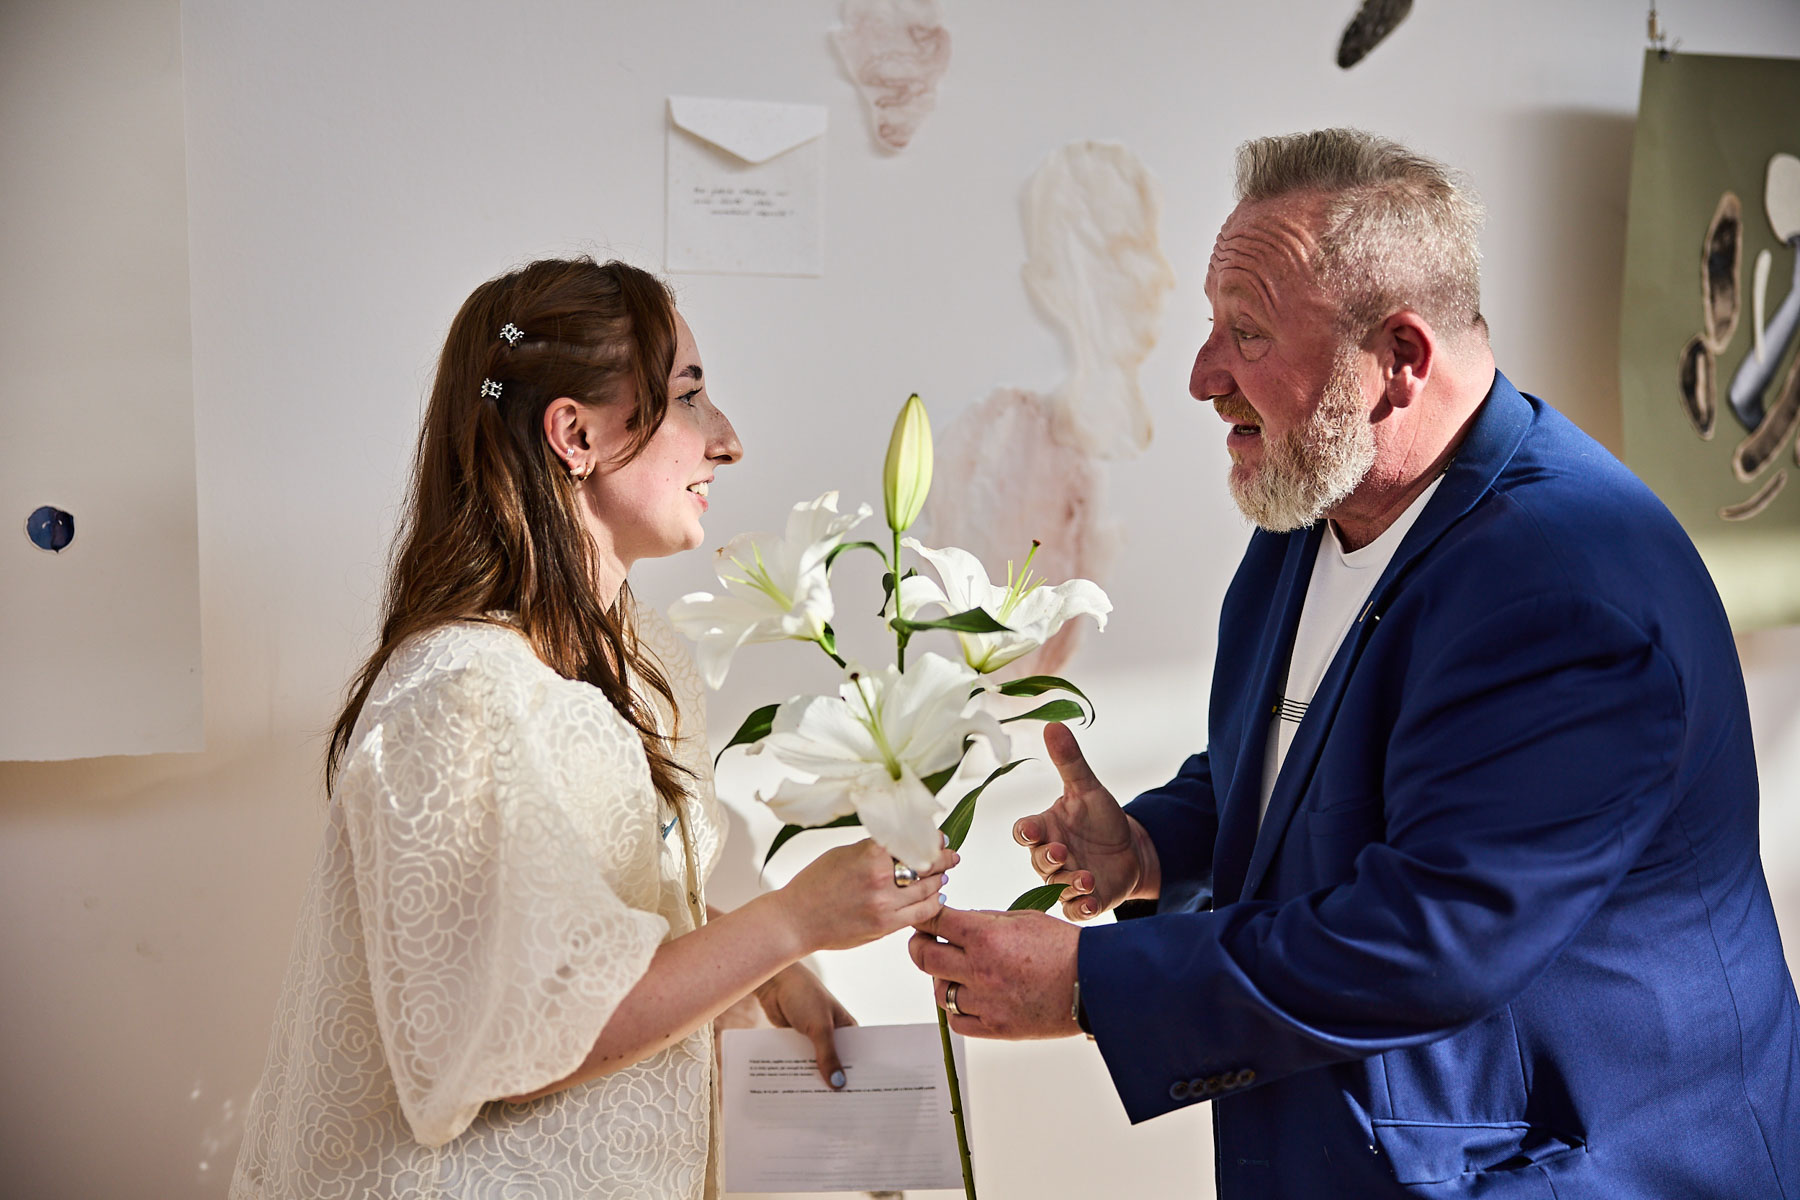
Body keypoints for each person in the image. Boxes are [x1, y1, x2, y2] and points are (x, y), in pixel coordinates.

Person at [908, 130, 1800, 1197]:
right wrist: (1152, 846)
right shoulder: (1317, 505)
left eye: (1247, 332)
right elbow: (1308, 764)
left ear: (1400, 359)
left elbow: (1435, 935)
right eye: (1211, 326)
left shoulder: (1568, 589)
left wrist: (1091, 987)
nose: (1201, 377)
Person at [231, 257, 955, 1200]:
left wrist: (763, 974)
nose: (727, 440)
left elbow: (569, 934)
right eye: (689, 396)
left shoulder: (642, 664)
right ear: (574, 435)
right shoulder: (460, 695)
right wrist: (788, 922)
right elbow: (506, 1033)